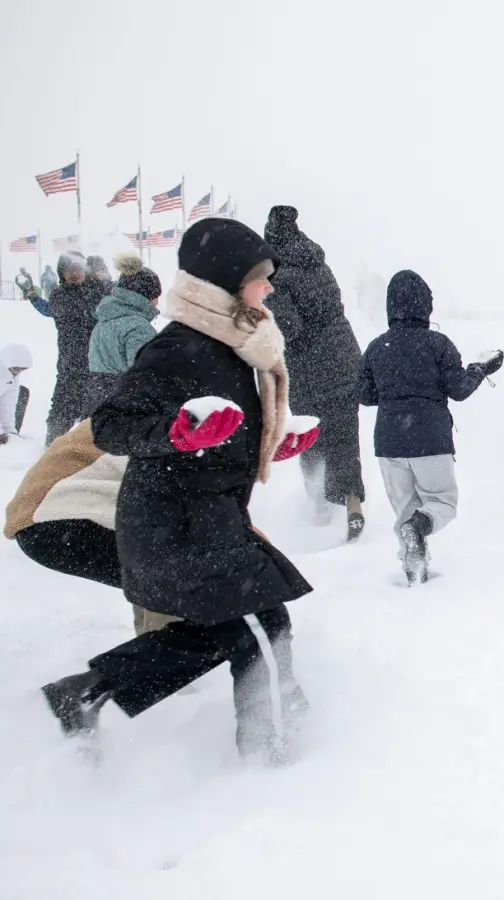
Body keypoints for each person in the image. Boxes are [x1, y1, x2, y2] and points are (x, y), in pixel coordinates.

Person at [39, 218, 323, 763]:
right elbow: (110, 425)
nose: (268, 289)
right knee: (261, 627)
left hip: (205, 516)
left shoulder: (233, 345)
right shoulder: (180, 347)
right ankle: (279, 758)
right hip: (176, 520)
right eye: (259, 278)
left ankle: (85, 694)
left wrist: (270, 444)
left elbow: (223, 427)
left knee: (232, 629)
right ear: (226, 281)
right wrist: (174, 434)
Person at [358, 270, 502, 585]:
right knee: (441, 503)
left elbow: (365, 396)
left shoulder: (376, 347)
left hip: (389, 441)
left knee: (405, 509)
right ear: (426, 305)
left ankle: (414, 568)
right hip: (429, 439)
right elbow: (459, 389)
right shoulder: (438, 345)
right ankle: (420, 530)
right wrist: (479, 369)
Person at [5, 420, 181, 634]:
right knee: (181, 570)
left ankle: (155, 648)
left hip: (44, 517)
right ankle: (163, 652)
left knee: (158, 575)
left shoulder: (154, 403)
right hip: (60, 513)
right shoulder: (190, 420)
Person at [264, 206, 368, 540]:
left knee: (310, 435)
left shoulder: (276, 276)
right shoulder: (317, 262)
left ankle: (320, 507)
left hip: (309, 367)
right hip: (344, 358)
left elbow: (289, 328)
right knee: (345, 435)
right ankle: (353, 504)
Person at [41, 252, 102, 444]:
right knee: (61, 414)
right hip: (70, 367)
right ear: (62, 273)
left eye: (78, 268)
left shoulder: (98, 290)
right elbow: (77, 309)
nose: (75, 273)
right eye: (70, 269)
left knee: (94, 417)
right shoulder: (59, 296)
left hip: (96, 366)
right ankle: (52, 451)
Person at [86, 253, 162, 404]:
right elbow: (143, 376)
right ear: (144, 296)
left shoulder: (103, 322)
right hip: (128, 406)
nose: (157, 302)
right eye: (155, 296)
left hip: (99, 401)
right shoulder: (139, 327)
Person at [1, 343, 32, 443]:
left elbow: (8, 405)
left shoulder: (12, 376)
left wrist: (10, 431)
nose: (17, 372)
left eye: (21, 369)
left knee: (22, 392)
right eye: (15, 368)